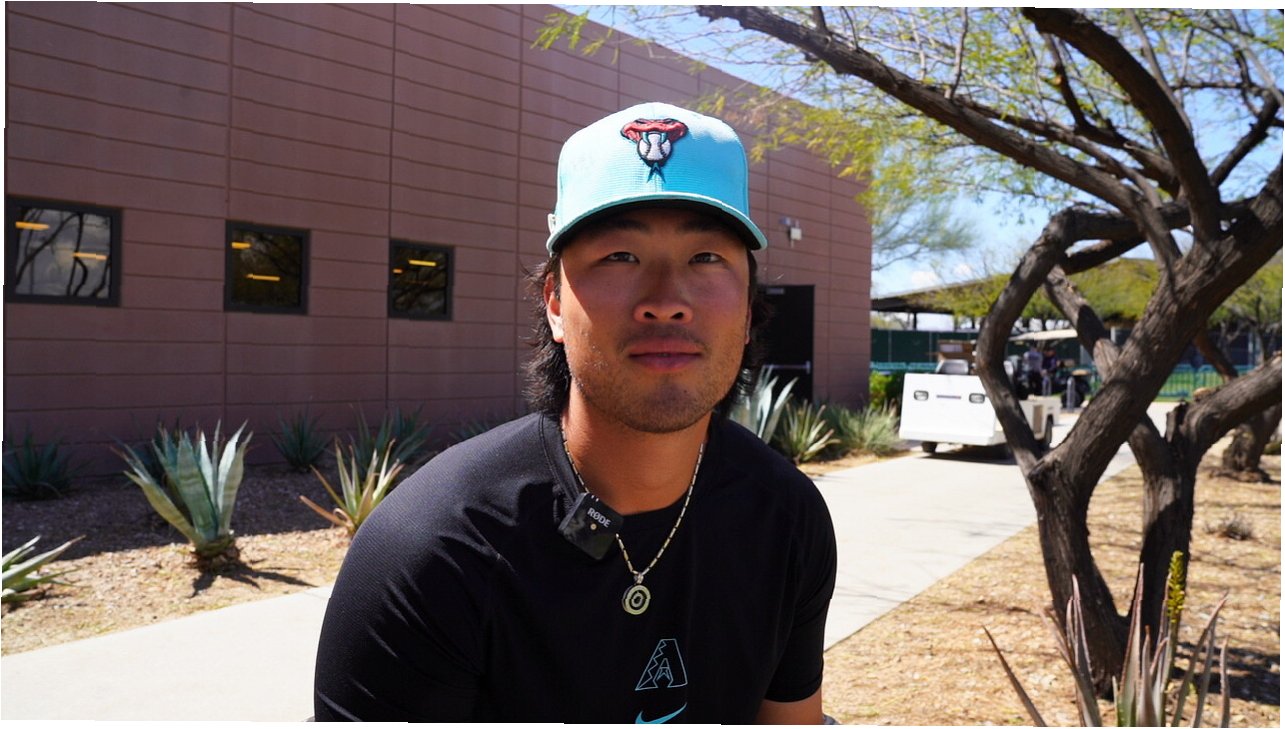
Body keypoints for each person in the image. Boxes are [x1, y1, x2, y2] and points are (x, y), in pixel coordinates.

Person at [312, 102, 838, 723]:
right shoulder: (434, 549)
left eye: (706, 258)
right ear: (555, 304)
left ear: (748, 310)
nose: (666, 301)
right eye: (619, 256)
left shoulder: (786, 517)